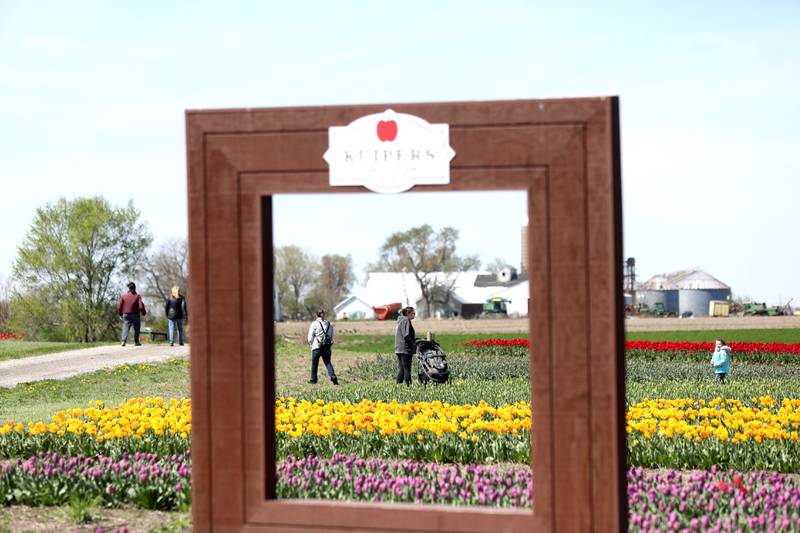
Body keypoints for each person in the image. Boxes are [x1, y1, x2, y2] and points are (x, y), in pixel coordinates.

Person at [307, 309, 338, 385]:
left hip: (316, 347)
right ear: (324, 315)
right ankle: (333, 377)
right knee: (328, 363)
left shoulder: (314, 324)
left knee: (314, 364)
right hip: (326, 347)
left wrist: (311, 343)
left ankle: (313, 381)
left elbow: (310, 338)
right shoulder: (329, 324)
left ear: (316, 315)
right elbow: (330, 336)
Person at [117, 282, 146, 346]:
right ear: (135, 288)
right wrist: (143, 312)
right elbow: (141, 306)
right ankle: (136, 342)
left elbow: (119, 305)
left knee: (125, 327)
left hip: (126, 314)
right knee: (137, 328)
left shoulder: (124, 296)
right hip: (135, 314)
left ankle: (123, 341)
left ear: (129, 288)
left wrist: (120, 313)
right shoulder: (137, 296)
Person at [394, 306, 417, 386]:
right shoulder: (406, 321)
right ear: (408, 313)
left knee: (402, 369)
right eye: (413, 313)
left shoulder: (400, 321)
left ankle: (398, 386)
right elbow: (406, 336)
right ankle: (409, 386)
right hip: (405, 349)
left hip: (398, 348)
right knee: (407, 369)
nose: (414, 314)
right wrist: (414, 344)